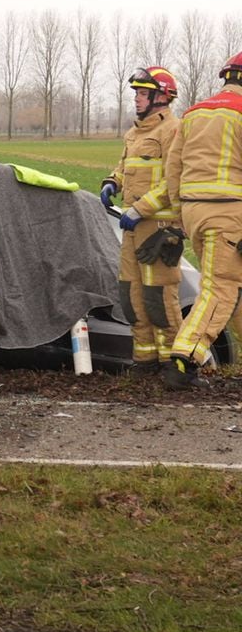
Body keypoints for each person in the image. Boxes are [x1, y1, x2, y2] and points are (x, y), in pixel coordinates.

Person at [162, 52, 242, 389]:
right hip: (230, 212)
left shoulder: (194, 114)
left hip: (195, 212)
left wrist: (181, 213)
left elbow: (172, 168)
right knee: (220, 289)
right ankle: (184, 359)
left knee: (234, 290)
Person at [99, 66, 184, 376]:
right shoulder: (134, 133)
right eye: (136, 92)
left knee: (159, 297)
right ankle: (145, 362)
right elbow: (125, 168)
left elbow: (174, 180)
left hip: (158, 230)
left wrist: (141, 209)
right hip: (132, 228)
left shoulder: (174, 130)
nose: (136, 98)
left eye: (143, 93)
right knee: (131, 294)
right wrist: (113, 182)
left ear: (162, 97)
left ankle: (174, 364)